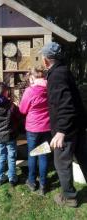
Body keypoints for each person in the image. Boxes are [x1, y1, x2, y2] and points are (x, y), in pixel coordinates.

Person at [41, 42, 87, 207]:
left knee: (62, 163)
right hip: (77, 126)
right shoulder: (64, 71)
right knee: (83, 158)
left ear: (46, 60)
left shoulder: (56, 76)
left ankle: (69, 197)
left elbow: (65, 105)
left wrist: (61, 131)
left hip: (66, 130)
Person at [19, 67, 51, 196]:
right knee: (43, 154)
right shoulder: (50, 88)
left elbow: (22, 110)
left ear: (32, 77)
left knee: (32, 154)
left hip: (33, 128)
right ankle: (43, 184)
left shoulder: (30, 91)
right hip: (47, 127)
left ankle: (32, 182)